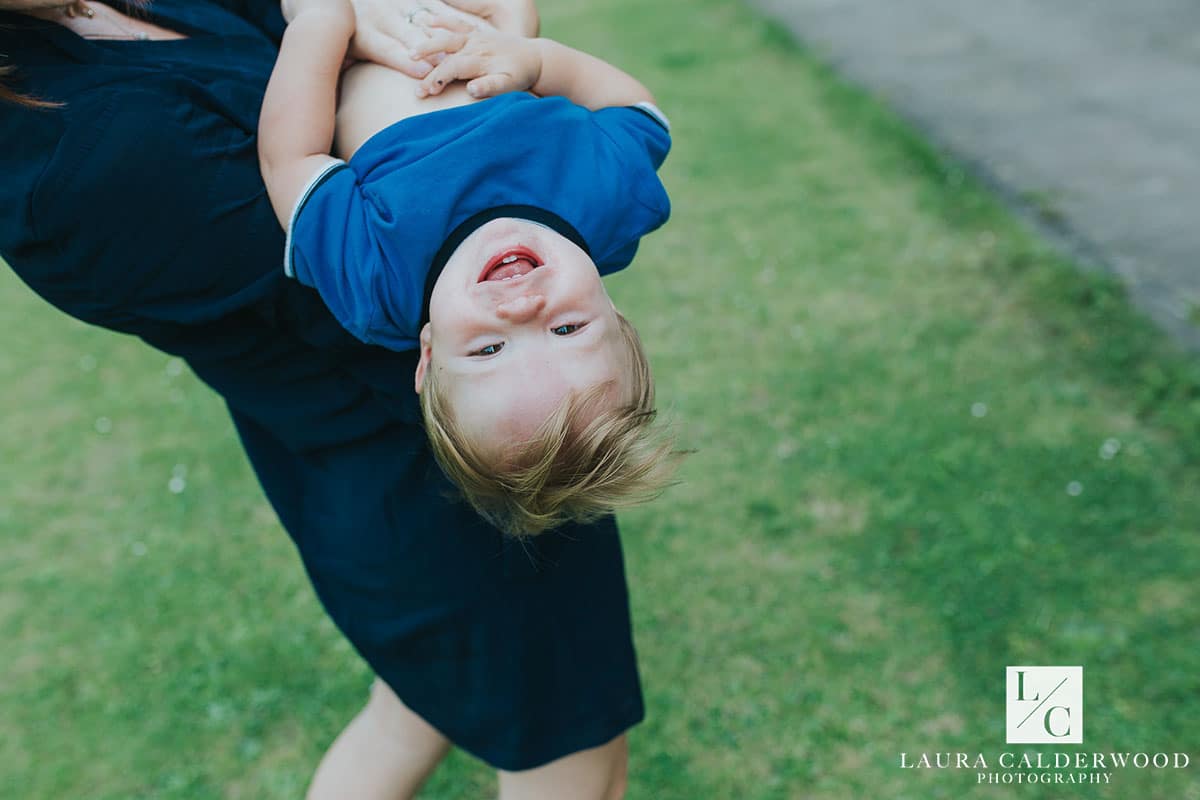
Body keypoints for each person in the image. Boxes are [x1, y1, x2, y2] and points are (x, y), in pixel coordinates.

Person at [0, 1, 649, 797]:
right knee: (572, 757)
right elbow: (345, 256)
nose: (525, 313)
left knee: (415, 708)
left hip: (452, 463)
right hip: (436, 485)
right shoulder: (77, 162)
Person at [259, 0, 678, 538]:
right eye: (566, 329)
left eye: (489, 349)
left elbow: (291, 161)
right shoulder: (608, 200)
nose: (523, 306)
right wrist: (536, 59)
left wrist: (323, 22)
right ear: (615, 314)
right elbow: (639, 112)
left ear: (428, 356)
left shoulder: (377, 280)